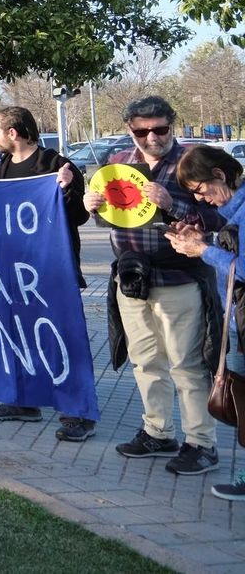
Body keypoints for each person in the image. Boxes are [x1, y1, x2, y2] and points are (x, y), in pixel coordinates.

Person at [86, 96, 226, 477]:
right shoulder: (118, 165)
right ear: (130, 130)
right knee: (145, 361)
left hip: (179, 276)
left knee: (187, 364)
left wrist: (173, 205)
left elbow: (219, 217)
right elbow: (111, 222)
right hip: (132, 279)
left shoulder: (193, 162)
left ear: (172, 125)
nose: (151, 137)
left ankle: (201, 442)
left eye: (160, 129)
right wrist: (93, 207)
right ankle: (157, 431)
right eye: (142, 130)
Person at [0, 106, 93, 439]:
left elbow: (79, 216)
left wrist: (66, 189)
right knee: (19, 336)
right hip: (16, 272)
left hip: (53, 270)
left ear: (13, 133)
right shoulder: (2, 166)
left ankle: (77, 412)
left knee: (63, 340)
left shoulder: (55, 164)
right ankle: (23, 400)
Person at [167, 144, 245, 499]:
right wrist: (204, 240)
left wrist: (202, 251)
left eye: (201, 191)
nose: (202, 200)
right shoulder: (235, 210)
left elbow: (242, 267)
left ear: (220, 175)